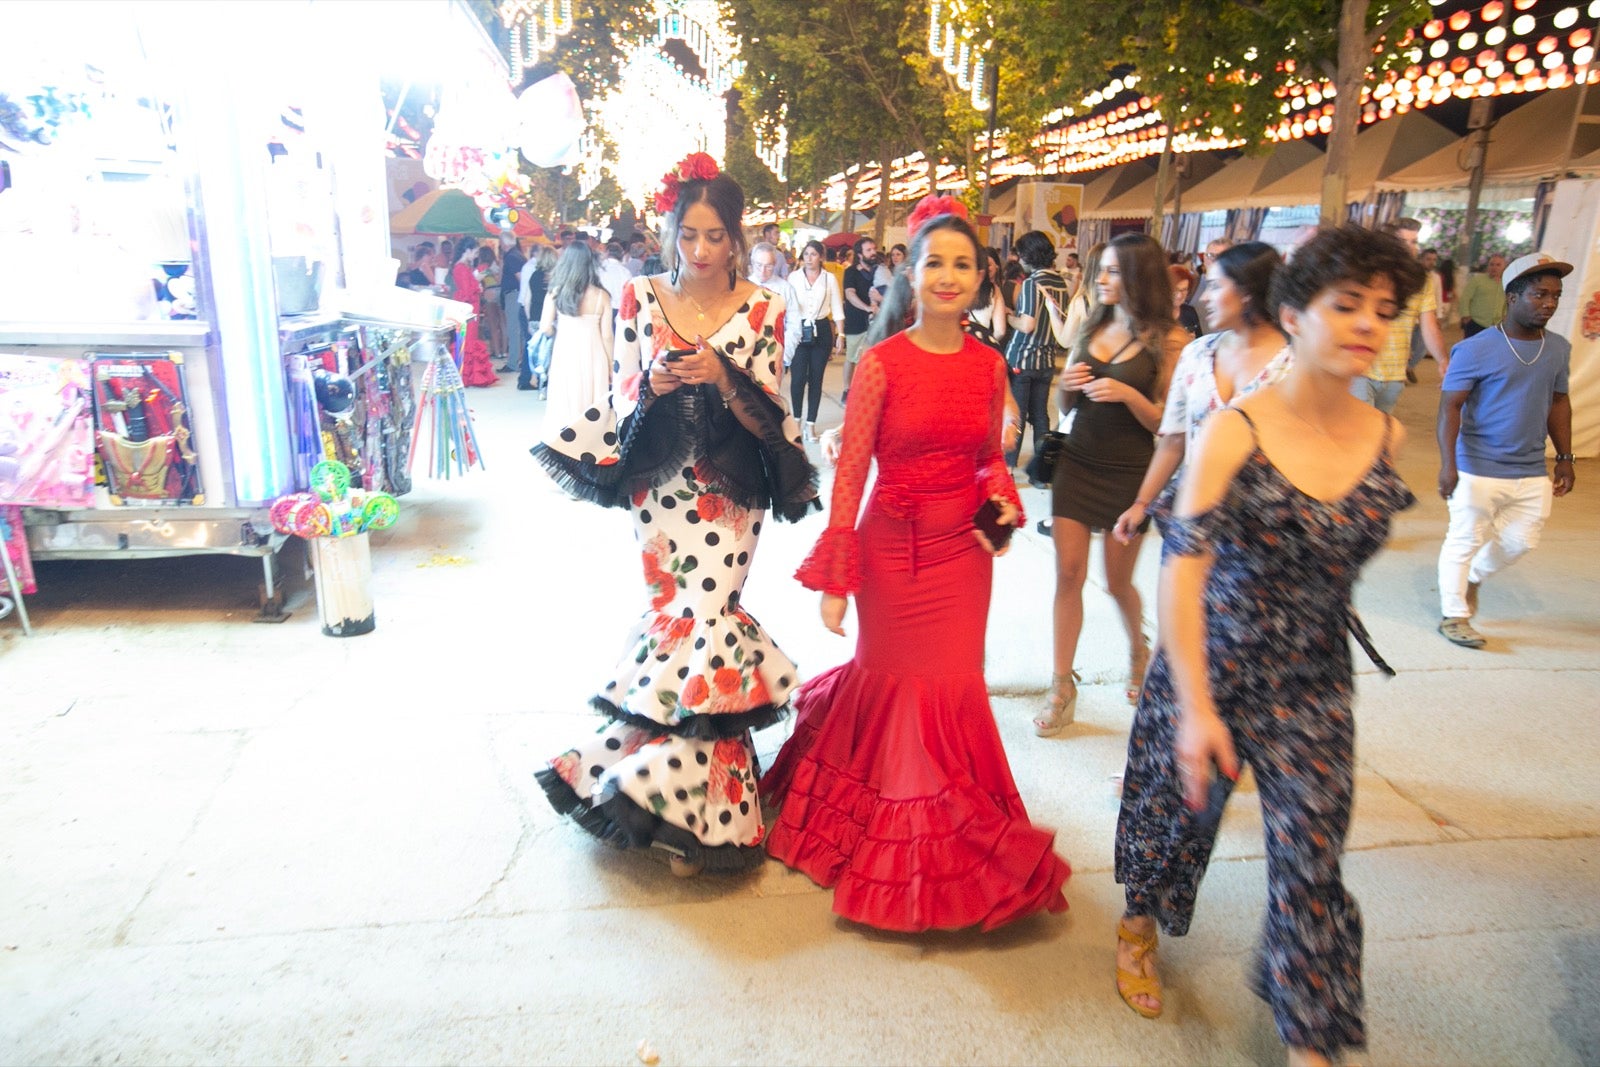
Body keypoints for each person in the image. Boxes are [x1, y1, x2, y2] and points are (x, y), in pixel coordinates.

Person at [1111, 225, 1423, 1067]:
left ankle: (1310, 1043)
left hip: (1314, 678)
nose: (1367, 324)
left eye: (1383, 310)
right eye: (1346, 304)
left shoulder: (1383, 437)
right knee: (1178, 822)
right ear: (1293, 313)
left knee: (1312, 860)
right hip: (1212, 660)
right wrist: (1195, 708)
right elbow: (1182, 572)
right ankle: (1137, 924)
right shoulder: (1235, 431)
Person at [763, 195, 1070, 932]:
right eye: (935, 261)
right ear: (913, 272)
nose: (948, 275)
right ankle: (895, 833)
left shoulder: (990, 366)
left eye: (964, 264)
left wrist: (1000, 505)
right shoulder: (879, 363)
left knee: (953, 683)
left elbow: (990, 461)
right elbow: (850, 472)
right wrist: (837, 576)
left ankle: (948, 826)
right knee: (895, 679)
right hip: (891, 550)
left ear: (981, 278)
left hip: (963, 556)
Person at [532, 156, 818, 876]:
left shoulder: (767, 306)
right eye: (688, 234)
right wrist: (655, 380)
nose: (699, 251)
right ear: (671, 233)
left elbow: (773, 411)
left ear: (735, 236)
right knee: (672, 623)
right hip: (658, 492)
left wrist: (724, 375)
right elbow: (624, 390)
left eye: (715, 235)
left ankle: (669, 792)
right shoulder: (638, 295)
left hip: (730, 495)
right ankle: (684, 802)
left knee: (712, 618)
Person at [1037, 233, 1187, 735]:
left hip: (1131, 471)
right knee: (1067, 575)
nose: (1099, 280)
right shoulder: (1090, 325)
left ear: (1138, 278)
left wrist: (1126, 393)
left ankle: (1139, 649)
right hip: (1077, 463)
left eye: (1112, 271)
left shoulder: (1170, 341)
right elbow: (1065, 408)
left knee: (1118, 582)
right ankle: (1061, 685)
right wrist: (1066, 386)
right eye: (1099, 270)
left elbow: (1167, 425)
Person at [1435, 251, 1576, 649]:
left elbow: (1559, 401)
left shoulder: (1558, 348)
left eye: (1555, 296)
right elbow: (1450, 406)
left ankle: (1475, 577)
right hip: (1477, 464)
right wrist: (1449, 465)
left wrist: (1565, 457)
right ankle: (1454, 614)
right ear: (1512, 297)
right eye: (1539, 294)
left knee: (1522, 541)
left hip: (1530, 467)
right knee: (1463, 538)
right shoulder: (1476, 349)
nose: (1548, 303)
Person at [1112, 241, 1291, 545]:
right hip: (1192, 516)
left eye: (1215, 286)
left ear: (1247, 292)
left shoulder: (1294, 365)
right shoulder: (1197, 354)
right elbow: (1175, 439)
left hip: (1265, 529)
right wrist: (1141, 504)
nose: (1204, 297)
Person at [1349, 218, 1444, 413]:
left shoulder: (1422, 282)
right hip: (1361, 368)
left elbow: (1429, 326)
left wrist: (1443, 360)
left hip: (1394, 373)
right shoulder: (1367, 275)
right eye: (1403, 241)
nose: (1410, 247)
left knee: (1381, 433)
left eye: (1414, 242)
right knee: (1363, 432)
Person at [1002, 230, 1070, 477]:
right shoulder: (1061, 283)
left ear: (1029, 255)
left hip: (1023, 357)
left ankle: (1008, 466)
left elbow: (1027, 324)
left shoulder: (1032, 283)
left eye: (1020, 254)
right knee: (1041, 414)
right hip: (1046, 359)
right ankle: (1042, 471)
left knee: (1016, 414)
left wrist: (1010, 317)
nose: (1019, 260)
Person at [536, 242, 613, 439]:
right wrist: (611, 366)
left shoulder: (556, 292)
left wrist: (559, 330)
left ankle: (564, 445)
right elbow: (607, 336)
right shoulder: (602, 296)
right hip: (594, 354)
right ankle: (589, 447)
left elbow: (544, 327)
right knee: (593, 404)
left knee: (565, 402)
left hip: (566, 352)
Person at [781, 239, 843, 442]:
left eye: (813, 254)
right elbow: (786, 307)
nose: (809, 258)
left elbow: (837, 307)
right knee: (797, 379)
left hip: (821, 330)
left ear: (821, 257)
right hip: (798, 330)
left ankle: (810, 425)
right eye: (806, 254)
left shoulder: (829, 279)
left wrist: (840, 335)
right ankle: (796, 420)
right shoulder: (794, 278)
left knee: (816, 379)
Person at [450, 239, 498, 388]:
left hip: (471, 307)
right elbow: (466, 292)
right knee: (468, 340)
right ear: (467, 250)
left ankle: (468, 375)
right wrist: (477, 286)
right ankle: (467, 375)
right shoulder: (461, 268)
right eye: (475, 252)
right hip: (469, 307)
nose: (476, 256)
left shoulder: (463, 267)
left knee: (468, 339)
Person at [840, 237, 879, 404]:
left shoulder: (879, 271)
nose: (873, 253)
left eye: (873, 249)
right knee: (852, 357)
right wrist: (867, 308)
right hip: (856, 321)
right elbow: (850, 294)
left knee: (874, 358)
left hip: (877, 323)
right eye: (868, 250)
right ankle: (846, 389)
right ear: (860, 254)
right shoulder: (851, 272)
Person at [518, 245, 556, 393]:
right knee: (551, 352)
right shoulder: (557, 277)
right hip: (552, 319)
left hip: (535, 317)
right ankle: (547, 383)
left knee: (535, 350)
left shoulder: (534, 276)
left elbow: (527, 300)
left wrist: (529, 319)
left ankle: (531, 378)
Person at [1188, 237, 1233, 334]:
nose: (1215, 260)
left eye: (1222, 256)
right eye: (1211, 255)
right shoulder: (1192, 284)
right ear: (1204, 258)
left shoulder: (1235, 288)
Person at [1458, 253, 1507, 337]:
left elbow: (1508, 302)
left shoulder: (1506, 283)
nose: (1494, 267)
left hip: (1497, 326)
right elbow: (1465, 298)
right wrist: (1465, 316)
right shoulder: (1477, 280)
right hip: (1475, 323)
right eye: (1492, 264)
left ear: (1504, 267)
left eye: (1498, 265)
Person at [498, 232, 528, 375]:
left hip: (514, 294)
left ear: (504, 243)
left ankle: (513, 362)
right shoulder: (519, 255)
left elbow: (520, 278)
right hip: (517, 294)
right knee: (518, 329)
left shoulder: (511, 257)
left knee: (513, 329)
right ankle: (519, 360)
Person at [968, 247, 1007, 352]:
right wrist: (988, 342)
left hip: (957, 344)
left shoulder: (962, 286)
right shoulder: (994, 290)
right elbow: (1000, 331)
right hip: (979, 347)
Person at [595, 240, 631, 323]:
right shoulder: (625, 271)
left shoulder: (598, 269)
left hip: (601, 308)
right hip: (620, 310)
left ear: (606, 253)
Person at [1169, 263, 1201, 338]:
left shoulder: (1190, 312)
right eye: (1175, 290)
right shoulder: (1155, 314)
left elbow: (1200, 340)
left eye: (1184, 290)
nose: (1180, 295)